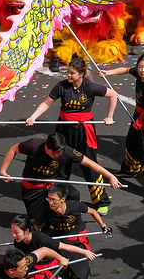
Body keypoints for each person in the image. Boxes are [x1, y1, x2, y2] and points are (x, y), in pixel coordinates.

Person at [25, 57, 119, 213]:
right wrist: (33, 116)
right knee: (61, 163)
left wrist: (110, 116)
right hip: (64, 129)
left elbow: (113, 95)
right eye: (68, 72)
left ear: (81, 74)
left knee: (89, 163)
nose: (68, 76)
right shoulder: (61, 86)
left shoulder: (90, 87)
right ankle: (64, 197)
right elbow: (47, 103)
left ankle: (100, 200)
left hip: (84, 130)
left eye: (72, 73)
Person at [0, 133, 120, 223]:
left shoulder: (66, 151)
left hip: (52, 182)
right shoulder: (33, 145)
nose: (58, 156)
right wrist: (3, 170)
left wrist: (110, 176)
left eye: (60, 153)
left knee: (73, 194)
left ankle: (70, 220)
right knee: (37, 222)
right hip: (32, 186)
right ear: (47, 147)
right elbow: (13, 149)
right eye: (55, 154)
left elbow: (90, 163)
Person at [104, 54, 144, 204]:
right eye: (140, 67)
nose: (142, 70)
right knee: (131, 142)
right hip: (138, 114)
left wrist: (141, 123)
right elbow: (125, 70)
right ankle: (130, 169)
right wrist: (108, 73)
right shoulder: (138, 73)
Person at [40, 185, 109, 279]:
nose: (50, 202)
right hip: (61, 242)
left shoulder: (75, 206)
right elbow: (39, 228)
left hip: (77, 242)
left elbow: (93, 211)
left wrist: (103, 226)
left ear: (63, 199)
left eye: (53, 200)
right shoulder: (47, 211)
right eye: (48, 198)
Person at [6, 213, 77, 279]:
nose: (13, 235)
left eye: (16, 232)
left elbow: (63, 246)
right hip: (35, 265)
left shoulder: (41, 238)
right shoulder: (18, 242)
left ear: (27, 231)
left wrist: (85, 252)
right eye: (12, 232)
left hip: (49, 264)